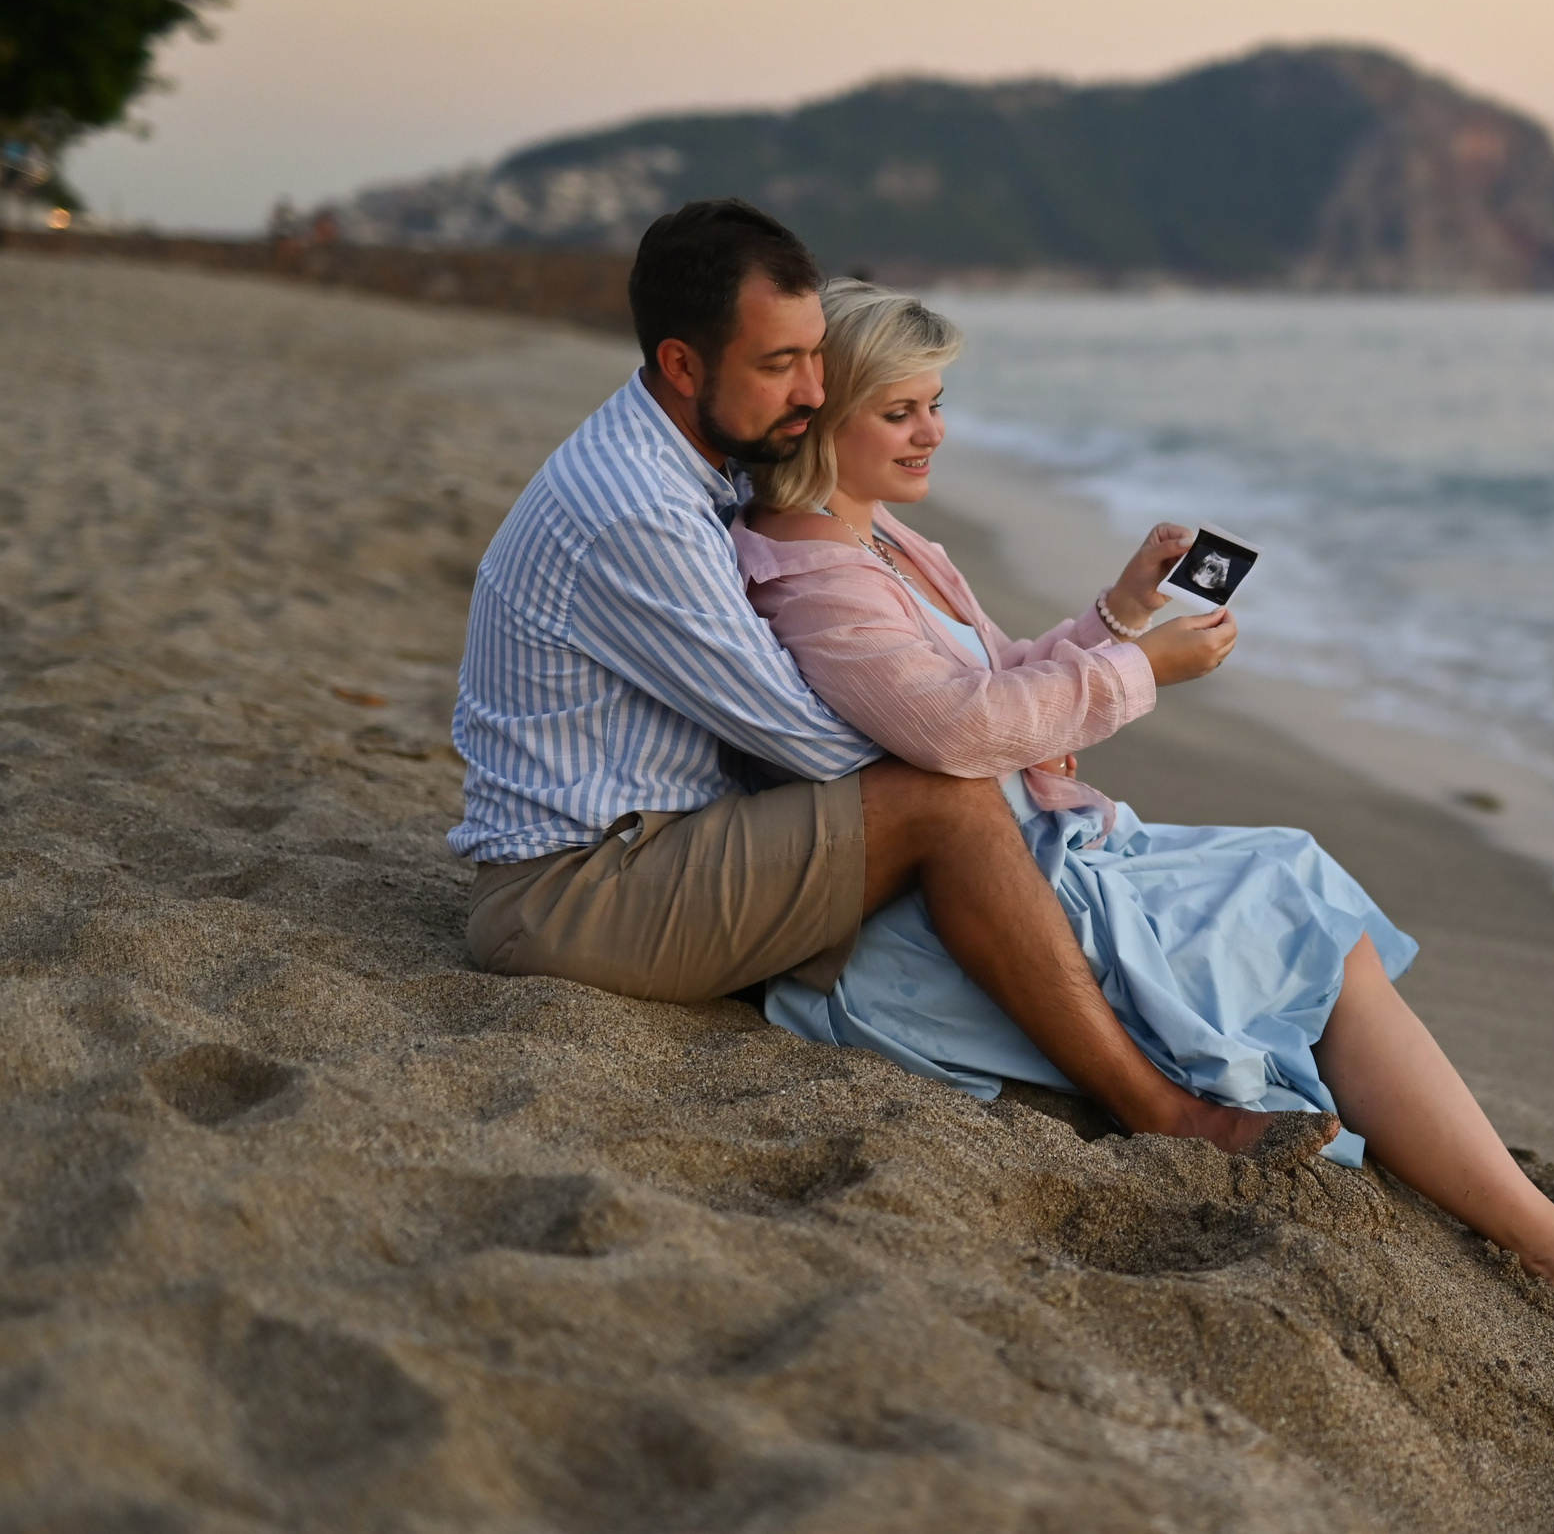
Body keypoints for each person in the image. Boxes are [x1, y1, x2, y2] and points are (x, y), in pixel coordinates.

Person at [733, 280, 1554, 1338]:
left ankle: (1520, 1216)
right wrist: (1142, 670)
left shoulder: (881, 540)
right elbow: (960, 730)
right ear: (820, 419)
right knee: (1298, 909)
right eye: (900, 412)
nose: (934, 431)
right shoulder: (817, 579)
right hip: (969, 894)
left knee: (1296, 889)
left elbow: (995, 681)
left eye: (936, 403)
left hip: (1018, 842)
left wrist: (1120, 613)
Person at [448, 198, 1303, 1156]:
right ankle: (1163, 1111)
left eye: (817, 356)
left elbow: (933, 697)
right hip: (577, 893)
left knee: (953, 782)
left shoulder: (701, 462)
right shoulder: (639, 511)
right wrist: (1000, 719)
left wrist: (1067, 665)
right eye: (780, 365)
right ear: (683, 363)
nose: (813, 391)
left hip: (657, 840)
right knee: (943, 800)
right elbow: (819, 743)